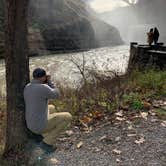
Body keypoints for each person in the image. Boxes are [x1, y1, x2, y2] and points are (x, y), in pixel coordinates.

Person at [24, 68, 72, 152]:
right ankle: (46, 143)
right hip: (39, 126)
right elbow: (57, 94)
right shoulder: (43, 87)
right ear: (43, 77)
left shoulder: (27, 87)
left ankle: (43, 136)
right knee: (67, 116)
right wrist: (50, 81)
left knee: (51, 107)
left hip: (30, 125)